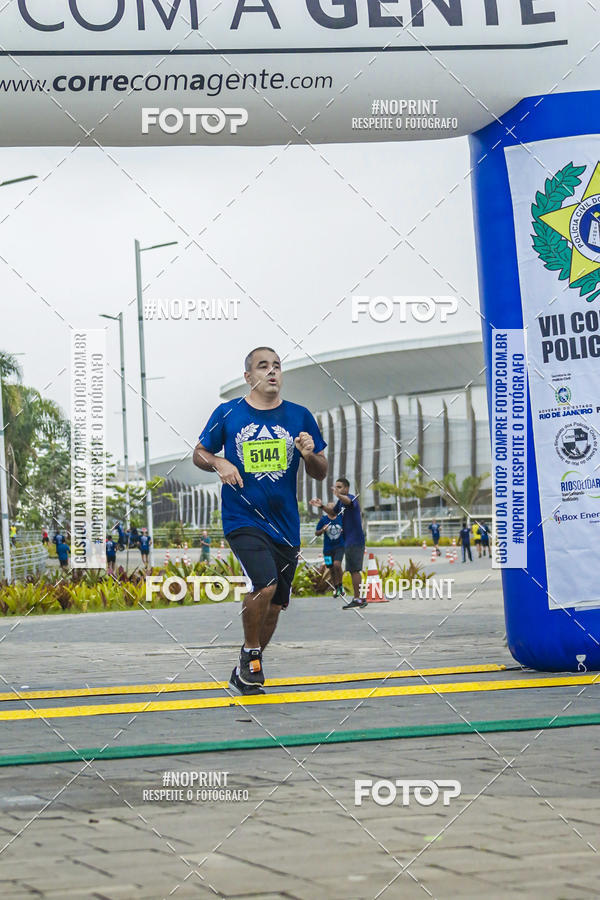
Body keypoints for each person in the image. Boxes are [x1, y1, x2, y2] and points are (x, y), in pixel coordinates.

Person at [194, 346, 327, 696]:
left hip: (285, 525)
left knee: (276, 603)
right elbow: (199, 453)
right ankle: (252, 654)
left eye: (277, 366)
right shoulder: (228, 413)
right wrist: (219, 463)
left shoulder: (299, 416)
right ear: (248, 376)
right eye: (263, 366)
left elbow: (320, 471)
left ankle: (246, 665)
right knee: (264, 583)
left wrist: (309, 455)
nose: (271, 371)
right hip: (243, 518)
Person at [313, 478, 366, 609]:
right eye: (336, 487)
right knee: (342, 568)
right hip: (344, 542)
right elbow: (333, 512)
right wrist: (321, 506)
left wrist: (338, 495)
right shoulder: (340, 503)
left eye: (340, 487)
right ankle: (354, 596)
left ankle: (358, 599)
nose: (337, 489)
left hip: (355, 540)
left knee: (354, 570)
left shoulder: (351, 498)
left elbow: (348, 501)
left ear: (346, 488)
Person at [315, 510, 345, 598]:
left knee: (337, 565)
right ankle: (336, 588)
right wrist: (323, 530)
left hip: (340, 547)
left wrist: (345, 530)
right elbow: (317, 533)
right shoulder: (323, 520)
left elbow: (349, 529)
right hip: (327, 549)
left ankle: (341, 586)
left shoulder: (341, 518)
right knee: (330, 568)